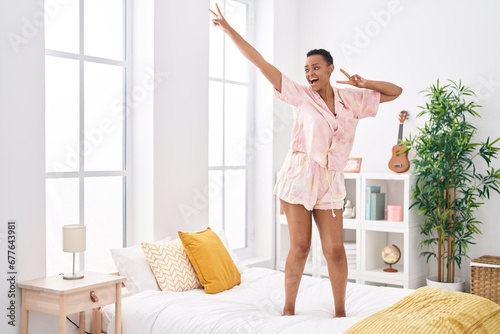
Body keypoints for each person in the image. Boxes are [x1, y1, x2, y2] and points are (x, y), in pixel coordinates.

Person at [209, 4, 402, 318]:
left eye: (316, 67)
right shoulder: (299, 95)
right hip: (300, 176)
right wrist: (229, 29)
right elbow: (259, 63)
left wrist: (363, 83)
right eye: (306, 69)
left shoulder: (351, 99)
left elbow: (395, 92)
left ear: (329, 68)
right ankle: (288, 309)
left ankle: (340, 313)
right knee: (300, 246)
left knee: (335, 250)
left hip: (331, 180)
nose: (310, 73)